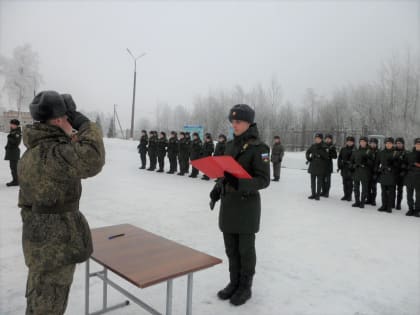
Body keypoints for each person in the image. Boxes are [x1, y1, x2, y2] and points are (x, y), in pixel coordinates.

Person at [18, 91, 105, 315]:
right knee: (48, 306)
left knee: (38, 299)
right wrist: (84, 123)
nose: (71, 122)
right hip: (55, 249)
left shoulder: (34, 151)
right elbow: (93, 158)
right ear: (58, 120)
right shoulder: (53, 154)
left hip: (41, 245)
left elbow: (25, 203)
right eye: (68, 117)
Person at [209, 104, 270, 306]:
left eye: (238, 122)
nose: (234, 125)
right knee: (231, 249)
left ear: (249, 122)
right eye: (232, 121)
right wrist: (218, 190)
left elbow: (263, 180)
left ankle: (245, 287)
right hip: (229, 205)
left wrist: (240, 183)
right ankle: (234, 283)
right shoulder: (230, 146)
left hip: (246, 207)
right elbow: (225, 174)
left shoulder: (260, 148)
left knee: (245, 250)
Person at [350, 136, 373, 208]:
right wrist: (353, 166)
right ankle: (357, 201)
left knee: (364, 188)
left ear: (366, 143)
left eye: (364, 142)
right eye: (361, 141)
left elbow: (372, 162)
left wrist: (366, 161)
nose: (362, 143)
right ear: (359, 142)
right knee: (356, 188)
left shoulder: (369, 151)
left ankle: (362, 202)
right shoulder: (356, 151)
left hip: (365, 172)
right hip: (356, 171)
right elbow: (351, 161)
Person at [377, 137, 398, 213]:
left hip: (392, 175)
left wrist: (393, 166)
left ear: (392, 144)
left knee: (391, 192)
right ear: (385, 144)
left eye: (390, 143)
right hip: (383, 174)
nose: (388, 145)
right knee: (383, 191)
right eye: (387, 143)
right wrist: (378, 169)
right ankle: (384, 205)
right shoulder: (381, 152)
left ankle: (389, 206)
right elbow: (377, 162)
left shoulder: (395, 153)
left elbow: (398, 165)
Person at [305, 133, 328, 200]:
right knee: (312, 181)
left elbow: (326, 156)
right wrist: (308, 158)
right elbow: (308, 152)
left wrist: (320, 153)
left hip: (320, 166)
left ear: (321, 139)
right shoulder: (313, 145)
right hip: (313, 165)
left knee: (319, 182)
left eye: (318, 138)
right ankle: (313, 194)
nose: (317, 139)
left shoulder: (324, 146)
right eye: (316, 138)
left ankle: (318, 195)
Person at [404, 138, 420, 217]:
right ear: (414, 144)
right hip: (409, 177)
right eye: (417, 144)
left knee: (418, 196)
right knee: (409, 195)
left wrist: (416, 165)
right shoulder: (410, 154)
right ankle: (410, 209)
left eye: (419, 144)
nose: (418, 145)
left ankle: (417, 210)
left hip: (419, 178)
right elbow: (405, 163)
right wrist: (407, 166)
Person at [4, 118, 22, 186]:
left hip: (14, 152)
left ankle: (16, 181)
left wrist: (10, 137)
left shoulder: (17, 133)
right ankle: (16, 180)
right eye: (11, 124)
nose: (11, 125)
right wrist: (7, 146)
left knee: (14, 168)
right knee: (13, 167)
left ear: (16, 125)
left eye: (13, 124)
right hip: (12, 152)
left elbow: (16, 142)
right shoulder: (13, 132)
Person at [338, 136, 356, 201]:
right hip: (344, 168)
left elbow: (356, 160)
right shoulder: (343, 149)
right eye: (348, 141)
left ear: (353, 142)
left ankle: (349, 196)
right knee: (344, 182)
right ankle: (345, 195)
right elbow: (339, 158)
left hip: (351, 169)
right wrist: (339, 165)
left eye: (351, 142)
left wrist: (352, 165)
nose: (349, 143)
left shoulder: (355, 149)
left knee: (350, 183)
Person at [394, 137, 407, 210]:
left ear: (403, 144)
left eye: (400, 143)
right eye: (397, 143)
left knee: (400, 190)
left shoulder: (406, 152)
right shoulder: (393, 151)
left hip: (401, 174)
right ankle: (392, 203)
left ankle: (398, 204)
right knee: (392, 189)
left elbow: (408, 163)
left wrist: (404, 170)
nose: (398, 145)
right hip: (393, 173)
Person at [366, 138, 380, 205]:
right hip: (367, 171)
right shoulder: (367, 150)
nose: (373, 144)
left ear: (376, 144)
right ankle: (368, 199)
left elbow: (380, 162)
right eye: (371, 143)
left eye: (374, 143)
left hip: (375, 171)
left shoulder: (378, 152)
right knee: (367, 186)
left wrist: (377, 171)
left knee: (373, 187)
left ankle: (373, 200)